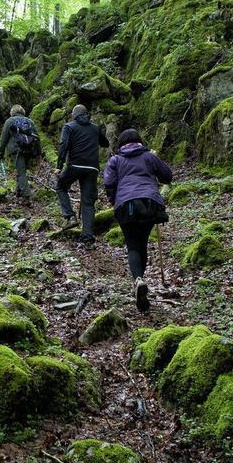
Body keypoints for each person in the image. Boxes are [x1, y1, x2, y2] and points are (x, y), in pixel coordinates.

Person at [102, 128, 173, 312]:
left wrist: (115, 199)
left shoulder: (115, 160)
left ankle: (138, 280)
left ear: (121, 144)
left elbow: (108, 182)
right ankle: (140, 281)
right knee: (141, 243)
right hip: (149, 203)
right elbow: (167, 176)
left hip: (126, 205)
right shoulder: (148, 156)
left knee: (133, 245)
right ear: (139, 141)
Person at [56, 104, 108, 244]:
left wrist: (59, 166)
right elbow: (106, 143)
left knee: (61, 186)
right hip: (92, 168)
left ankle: (70, 216)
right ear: (86, 114)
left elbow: (63, 145)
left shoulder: (69, 127)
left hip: (75, 165)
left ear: (74, 115)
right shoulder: (94, 128)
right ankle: (88, 237)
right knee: (88, 202)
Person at [0, 104, 40, 200]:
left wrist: (1, 152)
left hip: (16, 150)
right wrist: (38, 153)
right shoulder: (29, 121)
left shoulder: (9, 121)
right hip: (29, 149)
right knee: (22, 170)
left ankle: (27, 196)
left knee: (21, 172)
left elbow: (4, 138)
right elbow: (37, 137)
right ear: (23, 112)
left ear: (12, 112)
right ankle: (19, 192)